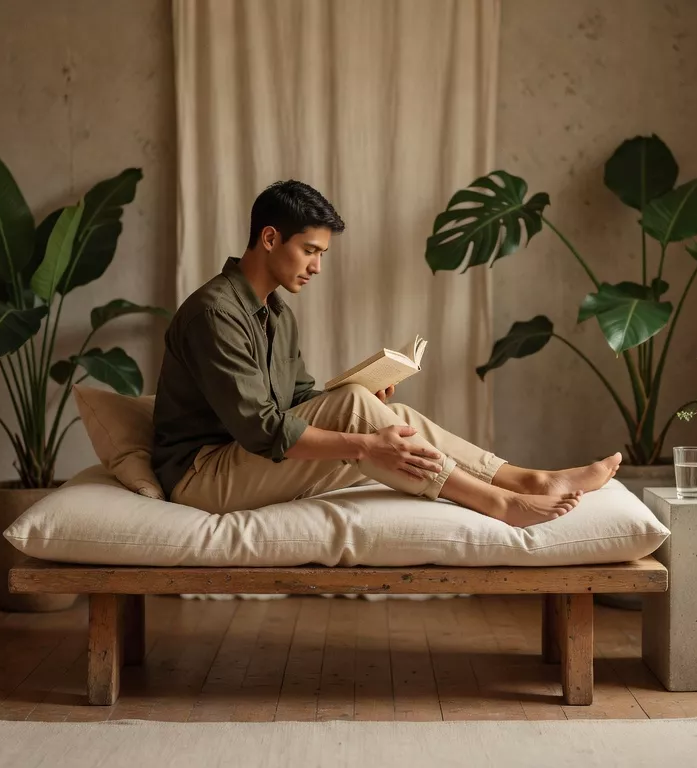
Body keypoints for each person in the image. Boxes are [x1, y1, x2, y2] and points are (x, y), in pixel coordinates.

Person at [151, 180, 621, 527]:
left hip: (244, 459)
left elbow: (299, 400)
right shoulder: (215, 313)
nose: (317, 267)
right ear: (270, 238)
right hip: (202, 477)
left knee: (389, 412)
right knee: (355, 410)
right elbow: (261, 428)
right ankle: (498, 502)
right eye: (310, 251)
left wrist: (367, 393)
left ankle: (525, 480)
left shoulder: (276, 312)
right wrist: (363, 441)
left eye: (322, 254)